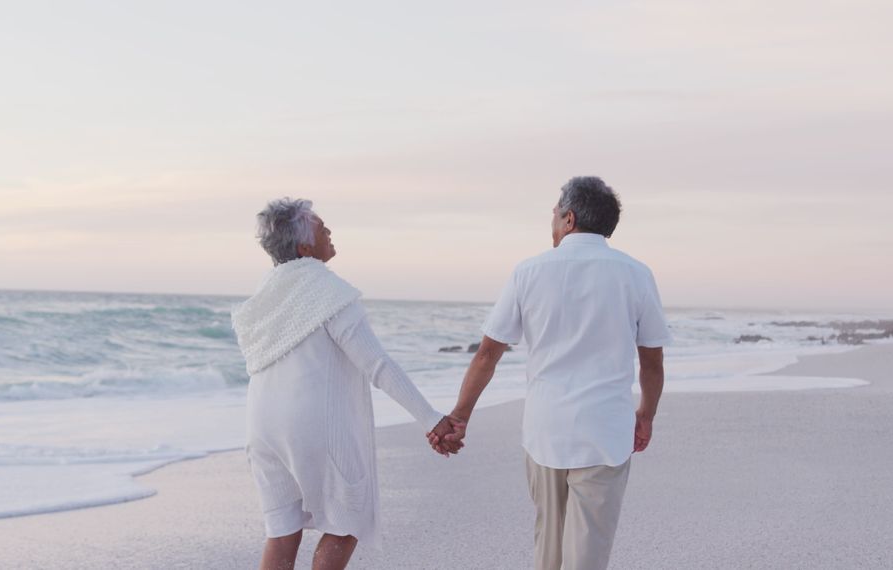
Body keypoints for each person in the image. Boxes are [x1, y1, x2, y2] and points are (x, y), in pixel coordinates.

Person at [433, 177, 672, 570]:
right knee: (588, 552)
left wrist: (460, 416)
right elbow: (652, 361)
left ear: (569, 218)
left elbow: (487, 355)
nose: (552, 223)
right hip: (605, 431)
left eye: (554, 214)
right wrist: (645, 416)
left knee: (549, 545)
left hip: (546, 428)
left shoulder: (529, 271)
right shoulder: (636, 273)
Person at [231, 198, 462, 570]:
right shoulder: (327, 290)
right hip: (310, 428)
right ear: (306, 248)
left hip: (261, 428)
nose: (330, 232)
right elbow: (377, 364)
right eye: (323, 229)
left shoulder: (264, 295)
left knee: (282, 531)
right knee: (349, 518)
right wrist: (432, 419)